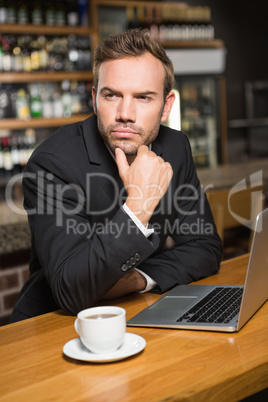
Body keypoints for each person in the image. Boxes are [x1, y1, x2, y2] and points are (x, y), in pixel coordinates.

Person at [10, 29, 223, 323]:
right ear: (95, 98)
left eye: (143, 97)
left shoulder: (176, 147)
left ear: (167, 106)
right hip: (50, 327)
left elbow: (205, 247)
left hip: (139, 310)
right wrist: (138, 206)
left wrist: (137, 279)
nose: (125, 113)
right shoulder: (51, 163)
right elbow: (72, 290)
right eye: (112, 95)